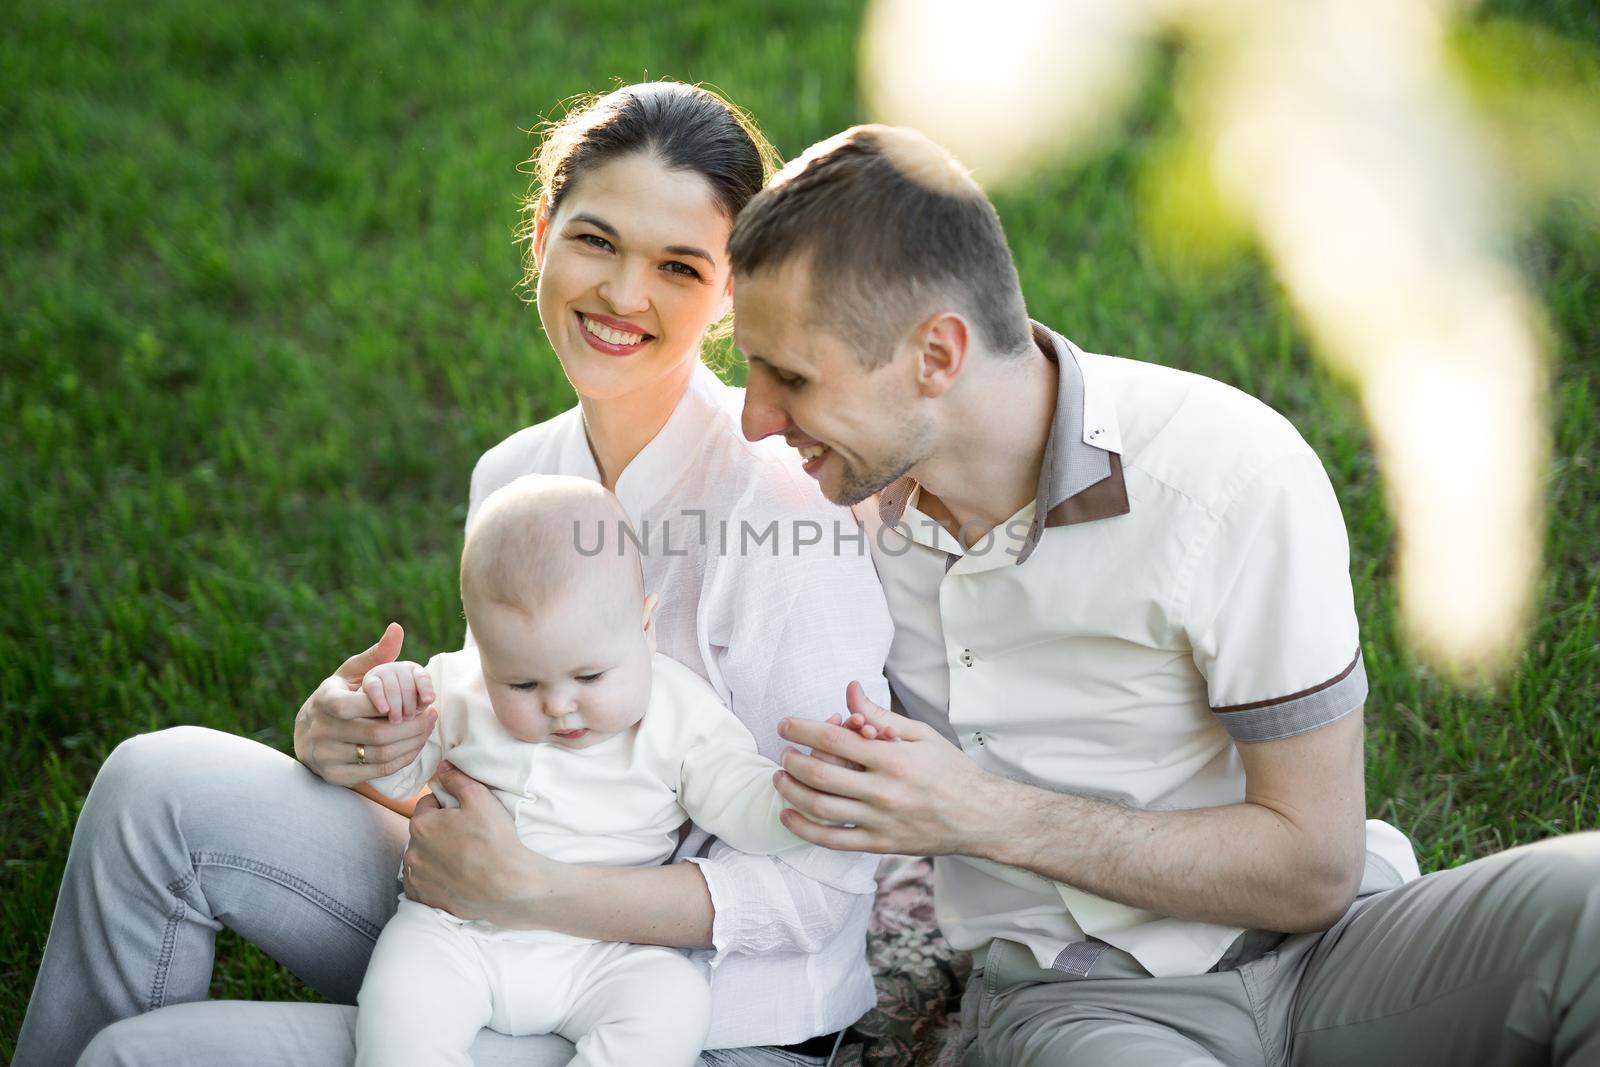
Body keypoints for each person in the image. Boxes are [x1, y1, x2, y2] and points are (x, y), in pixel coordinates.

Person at [17, 83, 893, 1067]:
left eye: (678, 266)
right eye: (596, 241)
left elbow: (826, 878)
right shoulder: (517, 476)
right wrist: (357, 742)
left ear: (733, 292)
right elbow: (504, 761)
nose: (623, 294)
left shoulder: (782, 510)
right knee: (152, 781)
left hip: (694, 1015)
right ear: (541, 236)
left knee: (146, 1056)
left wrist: (533, 890)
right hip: (485, 942)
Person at [729, 124, 1600, 1065]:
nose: (756, 416)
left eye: (791, 378)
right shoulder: (834, 520)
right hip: (1084, 1006)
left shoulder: (1227, 476)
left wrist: (975, 811)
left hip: (1338, 952)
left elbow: (1314, 867)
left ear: (936, 355)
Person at [356, 476, 811, 1067]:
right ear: (485, 657)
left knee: (672, 1000)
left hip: (603, 953)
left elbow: (742, 802)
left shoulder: (681, 716)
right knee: (400, 1007)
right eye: (522, 683)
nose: (559, 704)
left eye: (590, 677)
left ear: (645, 631)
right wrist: (388, 712)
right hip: (456, 935)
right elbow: (389, 773)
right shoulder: (457, 691)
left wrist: (803, 801)